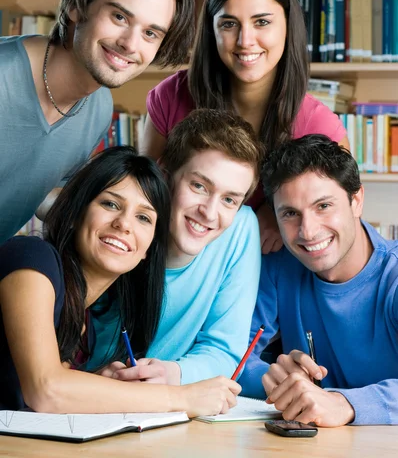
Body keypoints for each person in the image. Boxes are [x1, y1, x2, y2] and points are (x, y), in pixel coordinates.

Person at [0, 145, 240, 415]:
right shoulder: (31, 259)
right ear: (76, 213)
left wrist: (99, 387)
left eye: (143, 217)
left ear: (148, 248)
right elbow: (45, 390)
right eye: (111, 204)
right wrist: (181, 398)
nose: (124, 224)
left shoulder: (88, 323)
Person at [142, 0, 349, 254]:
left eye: (262, 22)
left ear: (288, 24)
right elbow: (145, 200)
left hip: (273, 272)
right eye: (229, 24)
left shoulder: (318, 125)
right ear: (211, 29)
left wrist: (277, 212)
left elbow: (340, 219)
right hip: (178, 262)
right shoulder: (170, 97)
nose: (245, 41)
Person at [0, 0, 195, 243]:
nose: (131, 44)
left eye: (150, 33)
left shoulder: (98, 107)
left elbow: (38, 192)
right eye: (119, 17)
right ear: (76, 6)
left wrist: (101, 215)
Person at [86, 109, 263, 384]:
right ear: (165, 176)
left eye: (230, 200)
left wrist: (173, 374)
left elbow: (224, 348)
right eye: (199, 186)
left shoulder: (240, 228)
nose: (209, 212)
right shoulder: (119, 231)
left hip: (167, 402)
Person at [239, 134, 398, 426]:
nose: (308, 231)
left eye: (323, 206)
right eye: (290, 213)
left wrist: (345, 403)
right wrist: (274, 379)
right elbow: (234, 357)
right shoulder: (277, 269)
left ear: (356, 201)